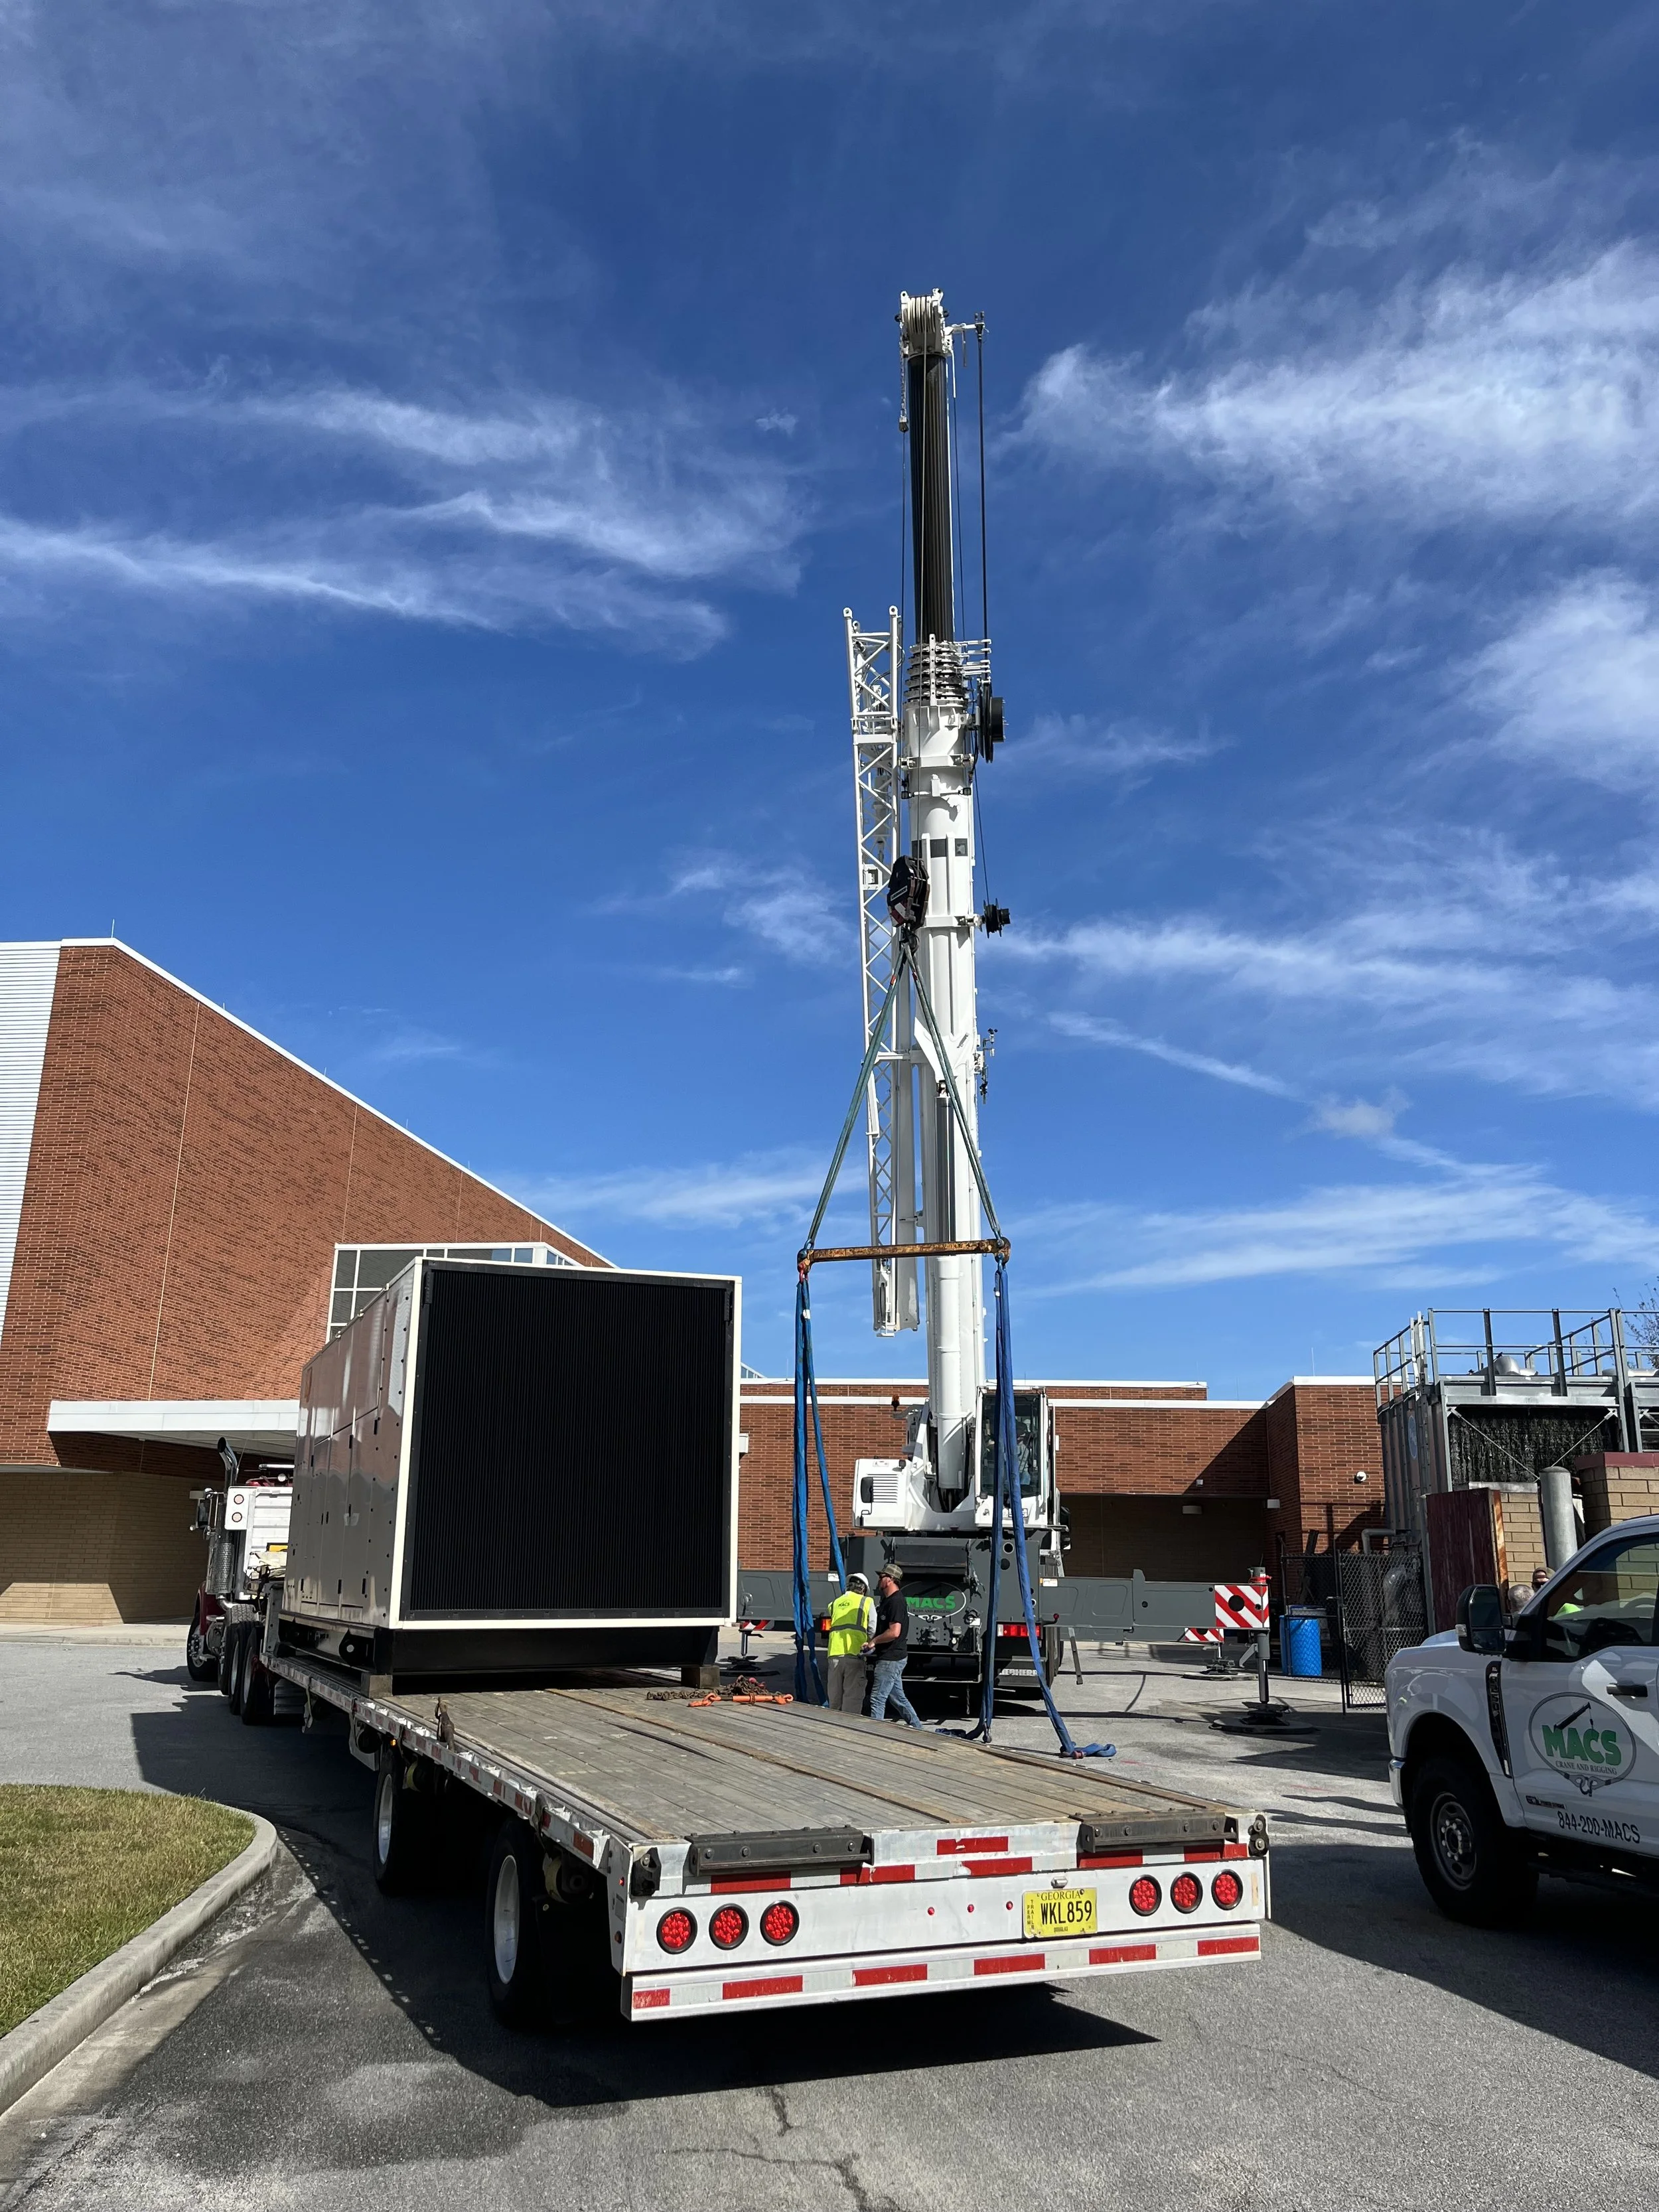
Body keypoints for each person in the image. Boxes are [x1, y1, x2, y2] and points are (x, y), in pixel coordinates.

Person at [866, 1565, 925, 1728]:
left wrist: (874, 1641)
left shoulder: (896, 1601)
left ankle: (875, 1735)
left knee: (877, 1698)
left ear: (890, 1579)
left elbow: (894, 1632)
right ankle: (917, 1727)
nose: (879, 1580)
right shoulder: (887, 1601)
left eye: (881, 1577)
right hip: (891, 1657)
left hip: (890, 1659)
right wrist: (871, 1641)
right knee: (897, 1697)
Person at [826, 1572, 875, 1712]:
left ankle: (833, 1729)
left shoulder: (835, 1603)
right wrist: (870, 1644)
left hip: (834, 1655)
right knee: (852, 1700)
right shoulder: (867, 1602)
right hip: (855, 1654)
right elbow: (872, 1628)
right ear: (864, 1589)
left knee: (835, 1699)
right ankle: (848, 1731)